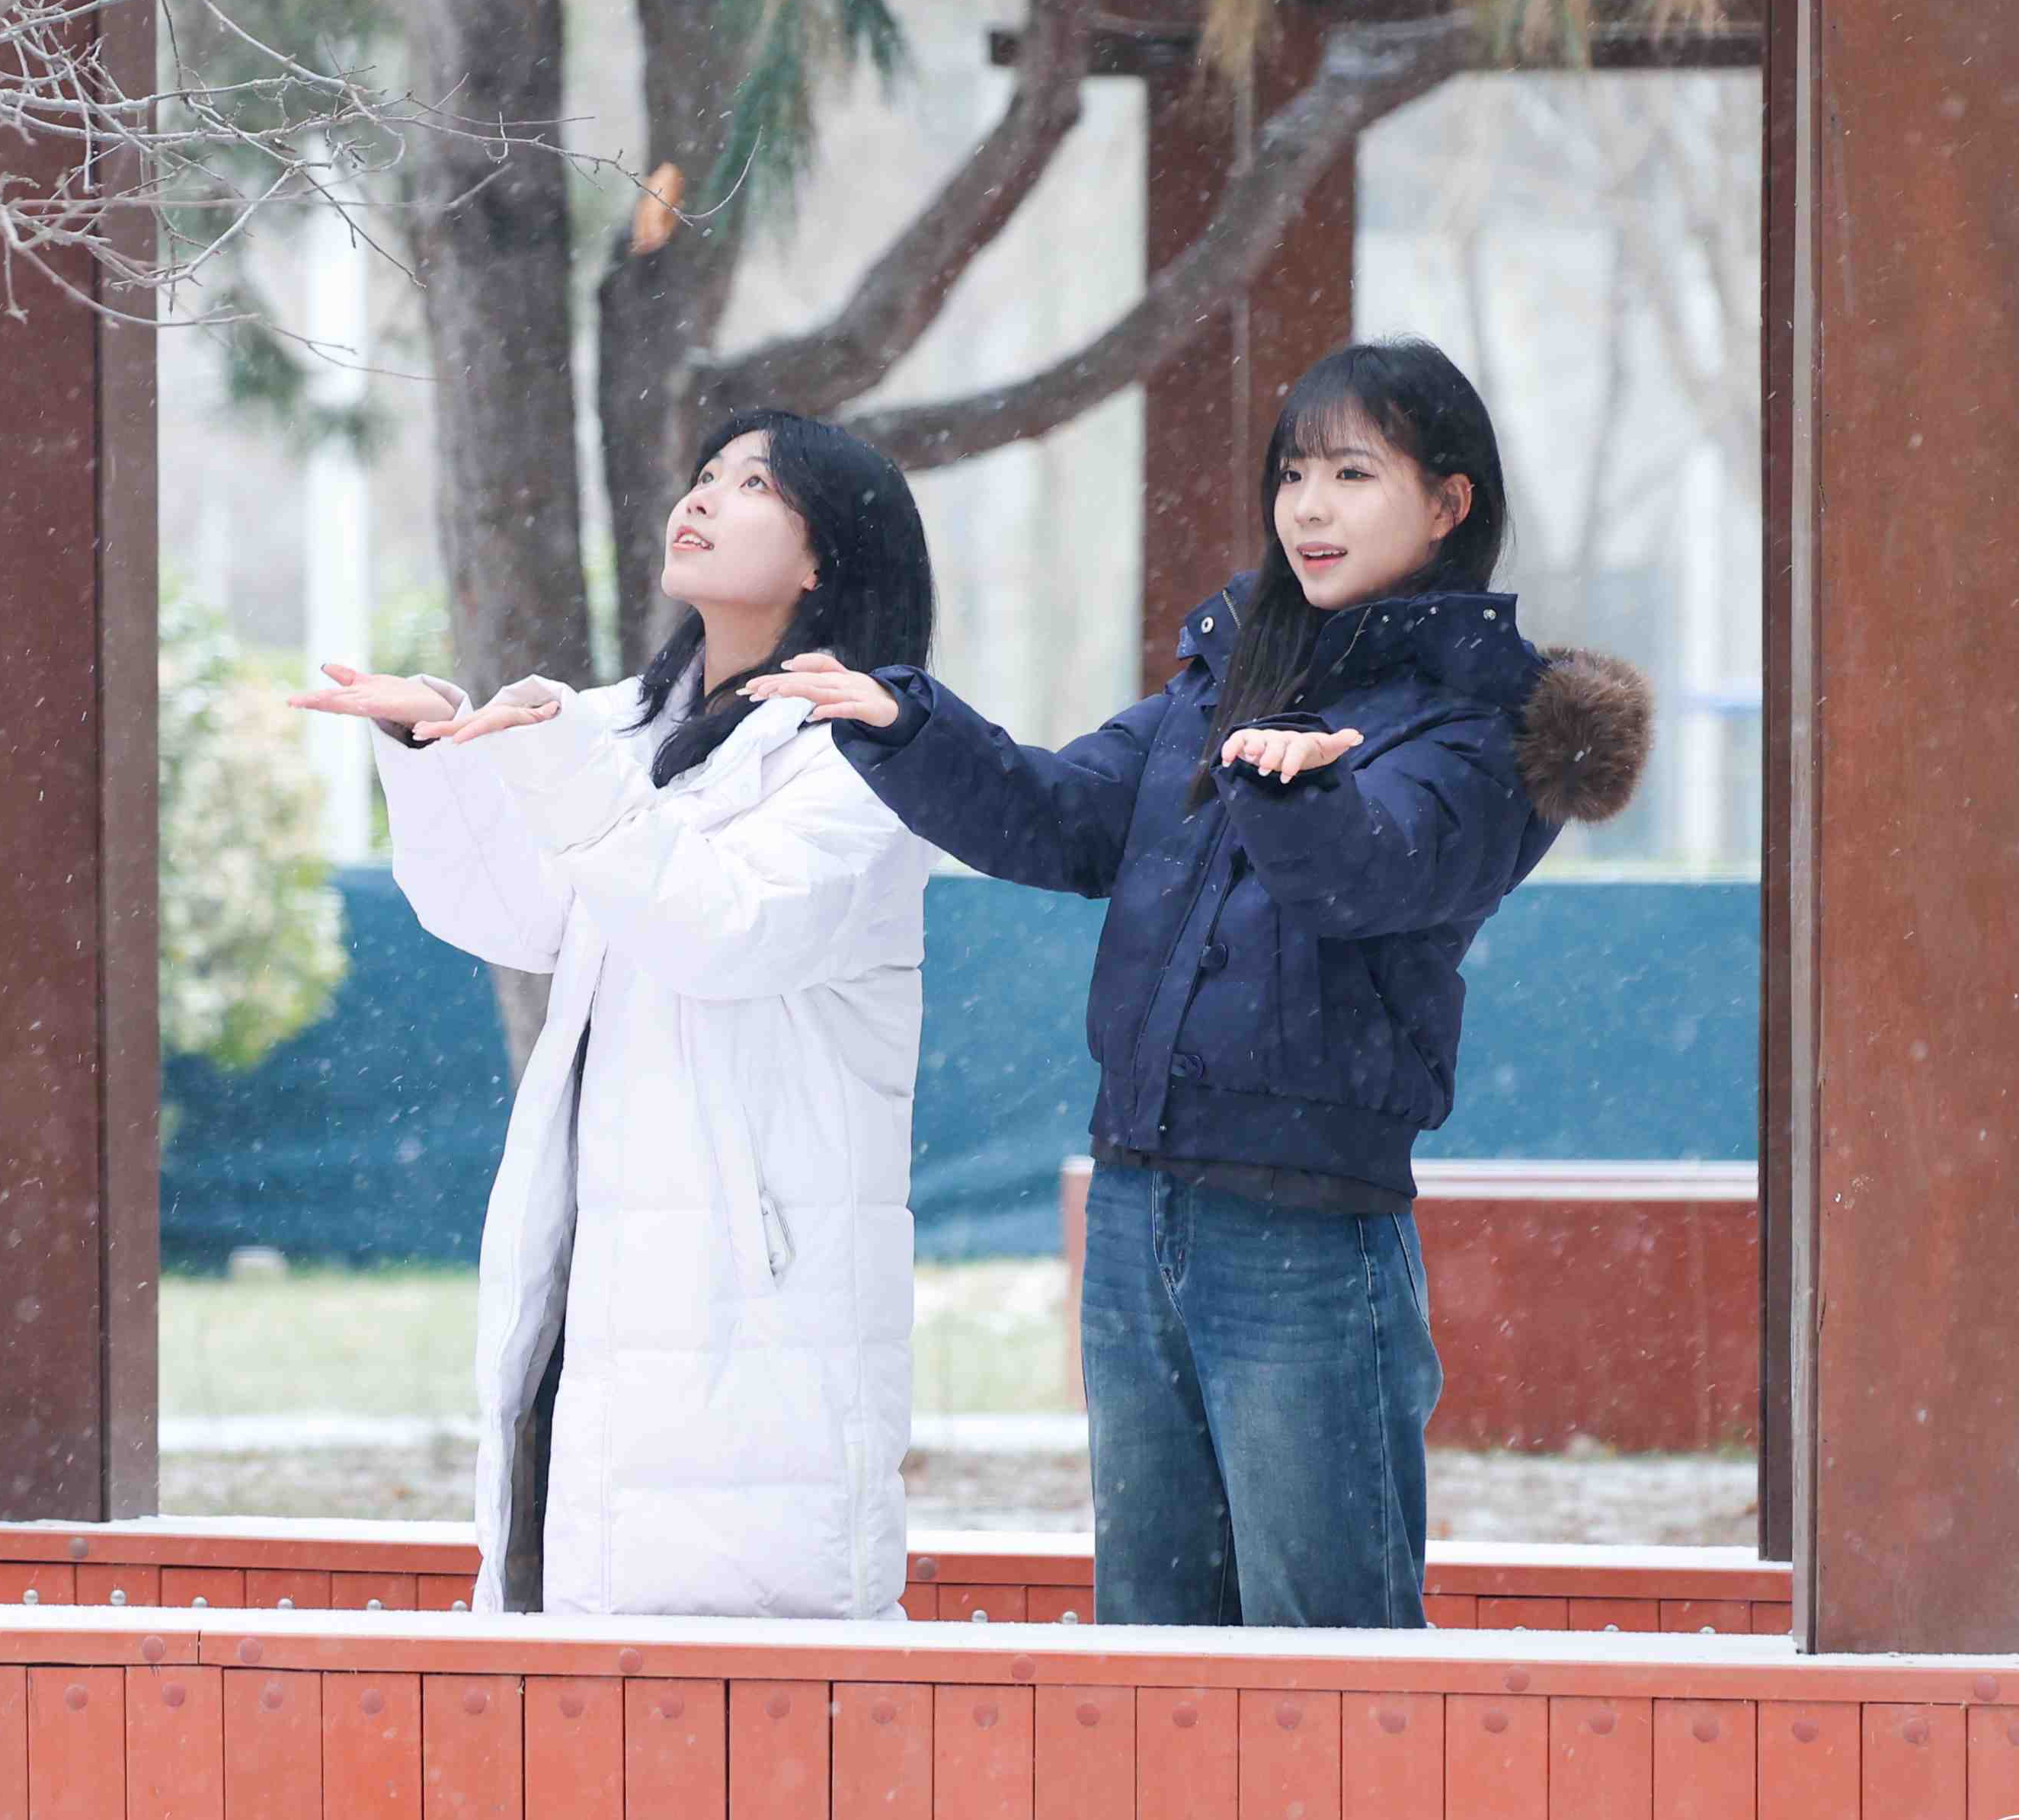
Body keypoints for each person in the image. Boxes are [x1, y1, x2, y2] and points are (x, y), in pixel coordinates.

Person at [751, 341, 1651, 1630]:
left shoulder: (1486, 729)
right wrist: (907, 726)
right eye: (1293, 474)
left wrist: (1302, 788)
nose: (1310, 508)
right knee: (1155, 1633)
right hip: (1136, 1212)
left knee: (1326, 1638)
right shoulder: (1226, 674)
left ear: (1450, 503)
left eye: (1353, 474)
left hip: (1305, 1234)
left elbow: (1372, 874)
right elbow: (1063, 818)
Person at [293, 411, 936, 1620]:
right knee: (568, 1605)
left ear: (826, 558)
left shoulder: (868, 755)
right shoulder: (627, 727)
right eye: (705, 474)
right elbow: (513, 914)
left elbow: (722, 928)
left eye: (754, 485)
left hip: (754, 1285)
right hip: (601, 1248)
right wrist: (430, 746)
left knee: (739, 1656)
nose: (703, 497)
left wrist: (561, 761)